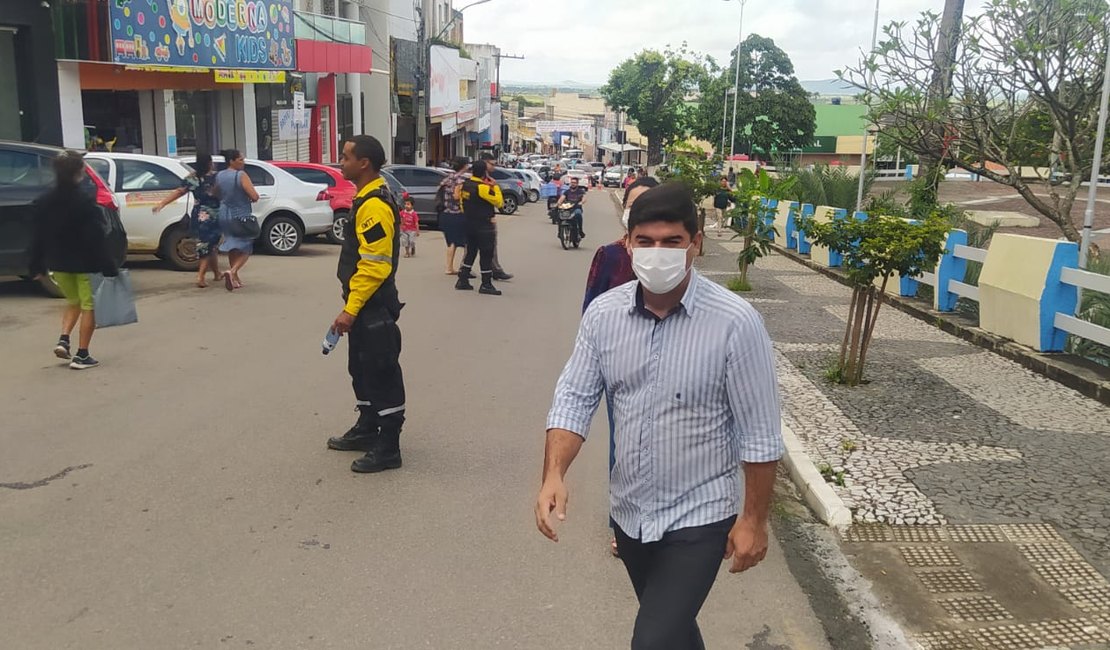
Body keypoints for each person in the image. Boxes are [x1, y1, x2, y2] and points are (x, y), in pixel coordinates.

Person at [535, 182, 784, 650]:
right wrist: (554, 474)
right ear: (627, 244)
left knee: (652, 640)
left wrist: (754, 519)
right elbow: (574, 397)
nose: (658, 253)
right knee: (671, 632)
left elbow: (760, 432)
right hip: (630, 514)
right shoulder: (604, 317)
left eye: (672, 241)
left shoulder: (736, 322)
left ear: (696, 244)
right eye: (645, 241)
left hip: (701, 514)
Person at [581, 176, 658, 557]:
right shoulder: (609, 256)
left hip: (669, 367)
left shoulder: (672, 256)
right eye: (634, 204)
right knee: (623, 446)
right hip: (622, 371)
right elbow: (590, 313)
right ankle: (622, 523)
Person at [326, 135, 407, 474]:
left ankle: (388, 447)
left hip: (372, 305)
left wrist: (350, 309)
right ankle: (367, 428)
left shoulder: (374, 205)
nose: (340, 161)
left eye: (346, 157)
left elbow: (375, 265)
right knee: (360, 369)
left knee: (381, 372)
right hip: (362, 305)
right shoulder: (365, 198)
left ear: (364, 164)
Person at [29, 150, 120, 370]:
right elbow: (95, 236)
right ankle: (82, 355)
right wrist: (109, 264)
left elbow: (38, 235)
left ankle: (63, 339)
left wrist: (36, 264)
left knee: (73, 301)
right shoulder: (84, 201)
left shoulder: (44, 201)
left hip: (57, 263)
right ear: (79, 171)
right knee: (88, 306)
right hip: (85, 263)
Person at [153, 152, 221, 287]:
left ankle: (217, 273)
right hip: (213, 214)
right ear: (210, 163)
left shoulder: (192, 178)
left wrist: (162, 204)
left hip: (198, 214)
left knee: (208, 245)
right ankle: (200, 276)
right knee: (208, 245)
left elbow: (179, 192)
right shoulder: (216, 178)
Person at [454, 159, 504, 296]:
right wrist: (495, 187)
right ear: (484, 172)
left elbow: (462, 203)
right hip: (483, 224)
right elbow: (499, 203)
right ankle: (486, 284)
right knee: (486, 254)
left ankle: (462, 279)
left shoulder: (466, 185)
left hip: (469, 223)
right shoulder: (482, 187)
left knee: (471, 252)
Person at [215, 149, 259, 291]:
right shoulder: (240, 175)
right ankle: (232, 271)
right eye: (240, 159)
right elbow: (254, 195)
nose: (243, 162)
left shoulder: (220, 175)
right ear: (231, 161)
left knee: (232, 244)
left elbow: (216, 193)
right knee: (246, 246)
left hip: (223, 213)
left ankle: (235, 278)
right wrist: (251, 197)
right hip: (239, 214)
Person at [477, 153, 514, 281]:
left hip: (478, 216)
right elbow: (498, 202)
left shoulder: (478, 179)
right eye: (492, 164)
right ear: (484, 163)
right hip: (484, 217)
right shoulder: (483, 181)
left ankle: (464, 271)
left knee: (472, 246)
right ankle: (493, 272)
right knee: (489, 245)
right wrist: (495, 187)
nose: (494, 167)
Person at [437, 157, 470, 275]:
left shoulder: (447, 178)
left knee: (451, 242)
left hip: (445, 213)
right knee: (467, 242)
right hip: (457, 214)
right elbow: (456, 196)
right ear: (464, 166)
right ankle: (464, 267)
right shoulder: (460, 180)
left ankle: (449, 267)